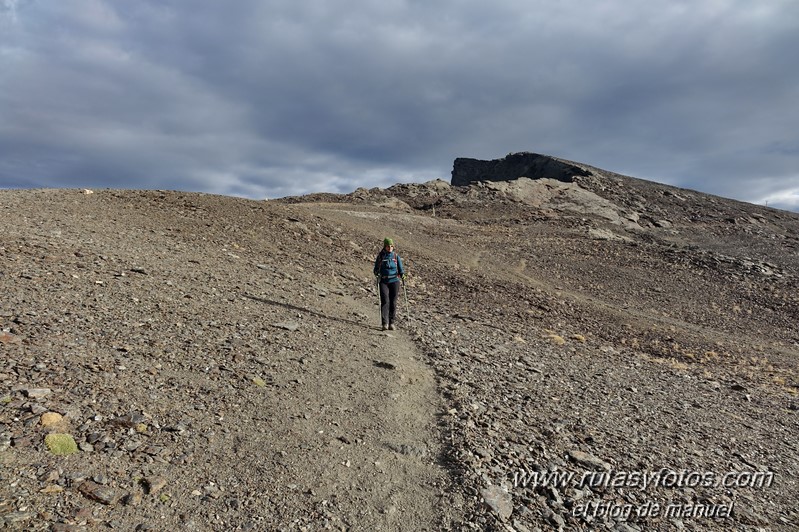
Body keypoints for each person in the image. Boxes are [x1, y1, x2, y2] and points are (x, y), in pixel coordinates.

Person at [373, 237, 406, 330]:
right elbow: (375, 269)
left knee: (393, 302)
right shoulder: (380, 256)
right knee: (385, 301)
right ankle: (385, 323)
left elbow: (401, 269)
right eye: (388, 246)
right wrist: (377, 273)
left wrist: (403, 275)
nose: (390, 248)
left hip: (394, 281)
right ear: (385, 246)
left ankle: (391, 322)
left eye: (391, 246)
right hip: (384, 281)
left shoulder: (395, 256)